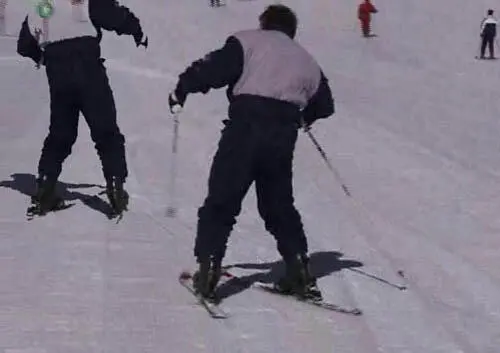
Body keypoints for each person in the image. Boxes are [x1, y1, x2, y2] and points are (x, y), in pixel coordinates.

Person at [168, 4, 334, 301]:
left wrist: (183, 87)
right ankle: (299, 270)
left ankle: (208, 267)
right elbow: (325, 104)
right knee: (278, 204)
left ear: (264, 24)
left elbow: (213, 69)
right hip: (282, 135)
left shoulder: (249, 41)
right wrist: (301, 118)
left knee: (223, 198)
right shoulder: (307, 60)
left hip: (245, 127)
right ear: (292, 30)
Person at [16, 0, 148, 218]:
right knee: (106, 131)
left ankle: (45, 188)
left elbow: (23, 44)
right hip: (89, 70)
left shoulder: (41, 7)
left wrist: (43, 57)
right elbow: (113, 16)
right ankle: (116, 188)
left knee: (60, 135)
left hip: (58, 75)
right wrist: (136, 30)